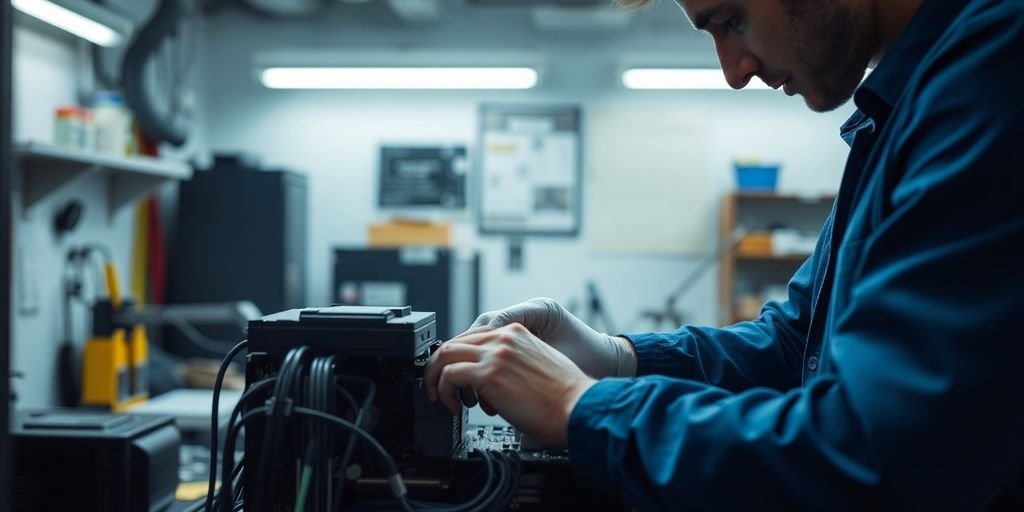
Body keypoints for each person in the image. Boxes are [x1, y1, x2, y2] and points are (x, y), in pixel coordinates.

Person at [423, 0, 1024, 509]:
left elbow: (881, 449)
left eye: (731, 20)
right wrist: (620, 360)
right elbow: (796, 348)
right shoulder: (904, 110)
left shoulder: (992, 73)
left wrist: (581, 405)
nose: (733, 72)